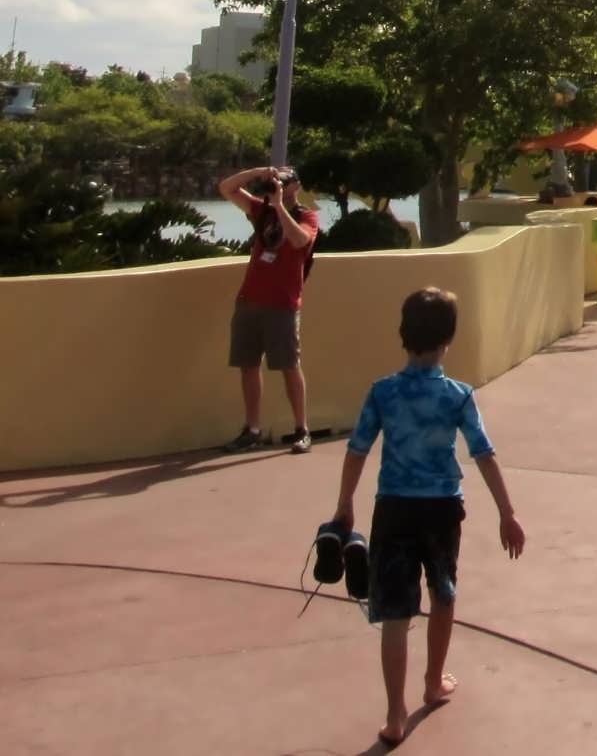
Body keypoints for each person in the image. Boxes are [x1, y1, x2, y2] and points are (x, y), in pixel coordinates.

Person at [331, 287, 526, 749]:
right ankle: (434, 681)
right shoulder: (457, 396)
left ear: (404, 334)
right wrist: (508, 513)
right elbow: (484, 454)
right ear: (448, 339)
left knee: (395, 613)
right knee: (443, 592)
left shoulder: (382, 393)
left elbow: (357, 451)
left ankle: (395, 713)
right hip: (441, 511)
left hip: (393, 508)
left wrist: (344, 504)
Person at [218, 164, 321, 454]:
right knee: (248, 365)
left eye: (285, 182)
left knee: (289, 365)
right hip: (249, 300)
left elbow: (300, 240)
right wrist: (258, 173)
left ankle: (302, 429)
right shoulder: (261, 212)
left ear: (296, 187)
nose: (278, 186)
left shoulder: (306, 216)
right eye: (276, 181)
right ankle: (252, 429)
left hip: (283, 304)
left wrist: (279, 205)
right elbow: (226, 188)